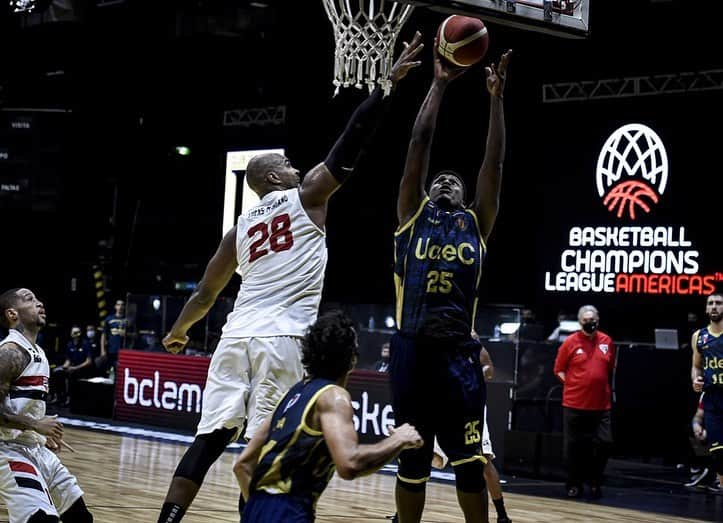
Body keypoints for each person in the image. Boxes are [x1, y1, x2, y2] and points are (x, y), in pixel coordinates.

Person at [155, 36, 424, 523]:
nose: (293, 164)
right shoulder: (307, 196)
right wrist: (385, 89)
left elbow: (204, 293)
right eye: (284, 162)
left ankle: (168, 519)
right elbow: (351, 143)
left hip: (235, 336)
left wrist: (178, 331)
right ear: (274, 179)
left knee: (208, 441)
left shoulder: (239, 228)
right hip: (282, 337)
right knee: (263, 451)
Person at [390, 37, 511, 523]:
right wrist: (437, 85)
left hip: (459, 355)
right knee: (412, 461)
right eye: (437, 180)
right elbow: (419, 144)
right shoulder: (410, 216)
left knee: (467, 465)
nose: (443, 181)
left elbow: (493, 165)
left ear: (464, 196)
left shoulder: (476, 223)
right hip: (412, 350)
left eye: (452, 181)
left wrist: (496, 102)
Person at [234, 310, 423, 522]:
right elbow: (349, 464)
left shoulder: (292, 394)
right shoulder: (334, 397)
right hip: (288, 511)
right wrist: (398, 440)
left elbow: (242, 465)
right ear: (352, 359)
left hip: (255, 510)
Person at [0, 288, 93, 522]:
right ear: (12, 313)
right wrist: (34, 425)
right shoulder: (10, 352)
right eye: (29, 299)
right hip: (8, 450)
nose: (39, 302)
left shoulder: (38, 352)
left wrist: (42, 434)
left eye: (38, 298)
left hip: (35, 448)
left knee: (80, 517)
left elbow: (23, 402)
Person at [429, 345, 512, 523]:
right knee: (425, 452)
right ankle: (402, 513)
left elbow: (489, 369)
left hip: (470, 405)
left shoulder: (470, 339)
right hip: (444, 404)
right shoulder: (436, 338)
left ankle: (502, 515)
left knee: (484, 460)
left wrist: (472, 379)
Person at [553, 305, 615, 499]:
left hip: (601, 405)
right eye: (586, 320)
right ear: (580, 322)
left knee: (605, 443)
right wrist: (570, 383)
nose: (590, 323)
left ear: (598, 319)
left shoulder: (607, 341)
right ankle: (574, 484)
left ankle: (595, 481)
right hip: (574, 404)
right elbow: (558, 369)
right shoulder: (570, 342)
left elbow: (609, 369)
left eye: (593, 319)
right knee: (573, 448)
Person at [691, 292, 723, 493]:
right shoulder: (699, 336)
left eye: (718, 303)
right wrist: (695, 379)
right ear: (705, 308)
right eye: (710, 303)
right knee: (718, 449)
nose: (714, 306)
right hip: (712, 399)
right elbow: (696, 366)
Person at [52, 327, 93, 406]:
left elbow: (89, 361)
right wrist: (64, 367)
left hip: (82, 369)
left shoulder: (85, 343)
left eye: (78, 332)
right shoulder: (69, 344)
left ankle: (69, 399)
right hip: (72, 367)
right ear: (71, 334)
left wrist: (75, 368)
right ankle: (58, 397)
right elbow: (68, 360)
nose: (76, 334)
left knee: (72, 375)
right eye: (74, 332)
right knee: (57, 372)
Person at [100, 299, 127, 373]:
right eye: (118, 305)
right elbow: (104, 335)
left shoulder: (127, 320)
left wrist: (127, 334)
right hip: (111, 350)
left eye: (122, 305)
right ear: (115, 306)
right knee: (109, 372)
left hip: (123, 351)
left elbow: (135, 335)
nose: (120, 306)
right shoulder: (109, 319)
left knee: (120, 372)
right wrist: (103, 350)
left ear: (124, 307)